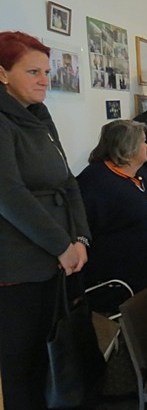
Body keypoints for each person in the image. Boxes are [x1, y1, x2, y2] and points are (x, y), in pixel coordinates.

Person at [0, 31, 90, 409]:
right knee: (22, 364)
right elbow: (9, 195)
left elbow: (67, 181)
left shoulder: (39, 114)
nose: (44, 80)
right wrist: (61, 244)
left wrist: (80, 239)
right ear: (3, 74)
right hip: (19, 263)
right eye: (33, 71)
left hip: (56, 257)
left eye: (47, 72)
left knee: (52, 357)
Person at [77, 120, 147, 313]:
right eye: (143, 141)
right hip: (115, 282)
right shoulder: (94, 182)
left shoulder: (141, 174)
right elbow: (84, 229)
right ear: (128, 146)